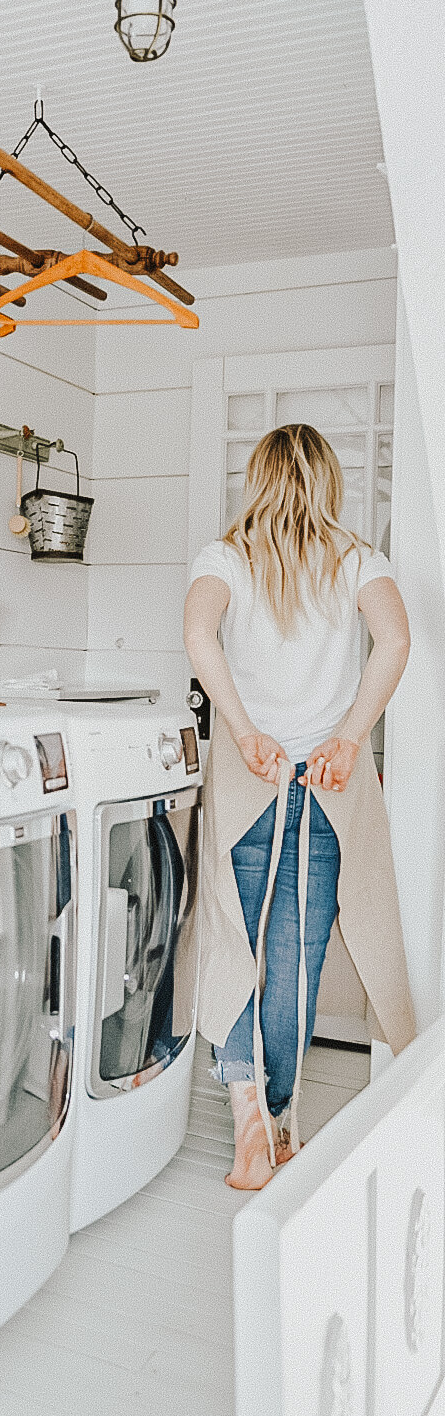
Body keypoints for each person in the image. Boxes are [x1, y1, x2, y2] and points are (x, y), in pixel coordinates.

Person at [184, 423, 416, 1190]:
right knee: (293, 956)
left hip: (250, 781)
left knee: (232, 941)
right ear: (325, 482)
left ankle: (251, 1121)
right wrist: (351, 739)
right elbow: (395, 639)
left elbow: (198, 631)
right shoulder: (357, 561)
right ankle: (277, 1122)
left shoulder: (225, 558)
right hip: (324, 786)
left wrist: (244, 731)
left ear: (257, 478)